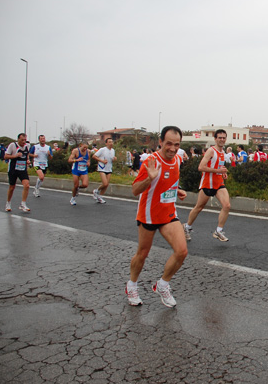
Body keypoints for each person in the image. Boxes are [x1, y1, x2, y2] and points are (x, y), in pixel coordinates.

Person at [126, 126, 188, 308]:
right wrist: (149, 178)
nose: (173, 148)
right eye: (168, 144)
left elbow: (169, 182)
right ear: (160, 142)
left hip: (168, 213)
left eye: (176, 144)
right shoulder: (151, 162)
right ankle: (132, 285)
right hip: (149, 215)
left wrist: (177, 190)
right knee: (142, 254)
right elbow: (135, 190)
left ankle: (163, 285)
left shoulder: (177, 160)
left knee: (182, 251)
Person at [184, 129, 231, 242]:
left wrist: (223, 173)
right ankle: (186, 227)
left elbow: (219, 167)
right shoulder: (211, 151)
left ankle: (218, 231)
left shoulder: (223, 152)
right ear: (215, 139)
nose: (222, 139)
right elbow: (201, 167)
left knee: (227, 205)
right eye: (219, 137)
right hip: (207, 184)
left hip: (219, 184)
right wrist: (217, 171)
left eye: (224, 137)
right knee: (199, 207)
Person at [4, 133, 32, 212]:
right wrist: (15, 156)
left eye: (25, 140)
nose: (24, 142)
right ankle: (8, 203)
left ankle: (23, 204)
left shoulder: (27, 146)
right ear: (18, 139)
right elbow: (6, 156)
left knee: (27, 185)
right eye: (22, 140)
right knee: (12, 187)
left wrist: (28, 160)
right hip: (13, 169)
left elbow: (26, 156)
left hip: (22, 169)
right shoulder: (12, 145)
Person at [92, 138, 117, 204]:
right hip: (102, 168)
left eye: (112, 142)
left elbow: (112, 159)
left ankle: (100, 196)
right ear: (106, 143)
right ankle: (96, 191)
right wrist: (102, 161)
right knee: (105, 183)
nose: (111, 143)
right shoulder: (102, 150)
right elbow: (94, 156)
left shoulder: (113, 150)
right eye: (109, 142)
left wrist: (114, 159)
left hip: (109, 168)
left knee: (106, 185)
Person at [68, 142, 90, 206]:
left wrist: (88, 163)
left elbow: (88, 159)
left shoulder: (88, 152)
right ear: (81, 146)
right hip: (76, 170)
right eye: (84, 147)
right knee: (75, 185)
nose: (85, 149)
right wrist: (76, 160)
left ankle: (78, 188)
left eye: (86, 148)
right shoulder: (75, 151)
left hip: (84, 170)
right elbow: (69, 160)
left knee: (85, 185)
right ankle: (73, 198)